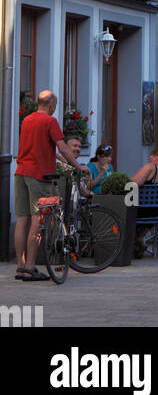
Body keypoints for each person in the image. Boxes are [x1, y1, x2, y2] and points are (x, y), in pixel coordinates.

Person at [14, 89, 87, 282]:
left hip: (21, 172)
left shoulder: (27, 120)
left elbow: (42, 147)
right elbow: (62, 145)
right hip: (39, 175)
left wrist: (60, 158)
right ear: (51, 104)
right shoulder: (50, 122)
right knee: (37, 220)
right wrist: (78, 165)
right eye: (55, 105)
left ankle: (20, 267)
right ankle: (30, 268)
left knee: (22, 220)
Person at [130, 148, 158, 258]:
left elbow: (136, 182)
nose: (151, 158)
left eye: (154, 156)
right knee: (151, 213)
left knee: (123, 209)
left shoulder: (151, 167)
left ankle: (131, 241)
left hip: (140, 209)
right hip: (157, 212)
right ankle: (138, 239)